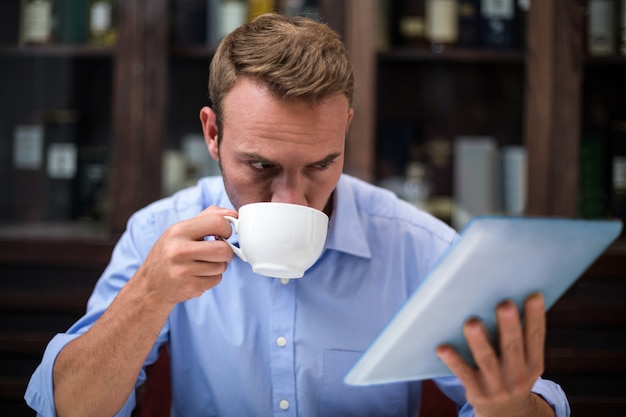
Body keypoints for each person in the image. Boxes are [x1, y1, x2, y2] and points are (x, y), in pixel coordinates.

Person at [25, 13, 570, 417]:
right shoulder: (156, 234)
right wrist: (148, 296)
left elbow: (531, 401)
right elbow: (69, 407)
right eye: (260, 165)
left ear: (345, 131)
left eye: (320, 164)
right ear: (213, 134)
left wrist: (508, 406)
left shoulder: (416, 245)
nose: (291, 199)